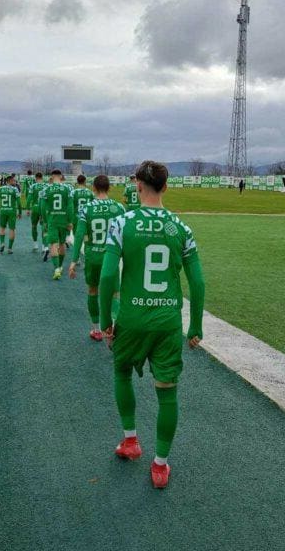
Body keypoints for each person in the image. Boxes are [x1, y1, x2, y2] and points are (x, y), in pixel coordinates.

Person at [100, 160, 205, 489]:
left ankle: (130, 440)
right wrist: (195, 326)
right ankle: (160, 465)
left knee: (121, 373)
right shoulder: (181, 228)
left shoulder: (122, 223)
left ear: (137, 185)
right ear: (166, 187)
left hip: (131, 319)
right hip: (167, 322)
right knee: (167, 392)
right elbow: (198, 282)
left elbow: (107, 276)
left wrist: (105, 322)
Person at [68, 175, 124, 341]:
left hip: (93, 256)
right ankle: (113, 327)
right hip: (111, 257)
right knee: (114, 293)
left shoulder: (86, 209)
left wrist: (74, 260)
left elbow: (79, 235)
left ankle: (96, 329)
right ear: (109, 188)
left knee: (93, 290)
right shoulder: (119, 207)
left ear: (93, 188)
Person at [41, 169, 73, 279]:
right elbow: (70, 206)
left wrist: (45, 221)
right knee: (62, 243)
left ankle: (56, 269)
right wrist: (70, 221)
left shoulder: (46, 189)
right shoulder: (68, 188)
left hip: (52, 220)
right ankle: (60, 266)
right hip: (63, 219)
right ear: (61, 176)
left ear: (51, 176)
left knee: (53, 244)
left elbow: (43, 207)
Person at [0, 174, 22, 253]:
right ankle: (9, 248)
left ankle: (2, 243)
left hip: (3, 211)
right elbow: (19, 203)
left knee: (2, 228)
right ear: (10, 181)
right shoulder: (15, 189)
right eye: (13, 180)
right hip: (12, 211)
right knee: (12, 229)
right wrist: (20, 212)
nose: (15, 182)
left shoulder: (0, 188)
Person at [26, 173, 46, 252]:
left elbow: (29, 199)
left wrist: (28, 209)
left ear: (36, 178)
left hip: (35, 208)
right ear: (42, 177)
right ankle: (44, 246)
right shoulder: (46, 186)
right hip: (43, 209)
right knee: (44, 227)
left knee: (34, 226)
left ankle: (35, 245)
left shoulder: (33, 186)